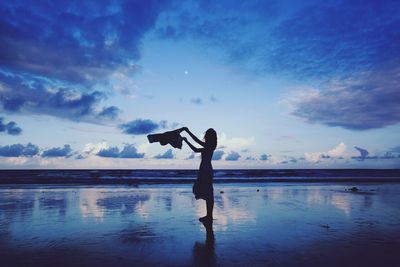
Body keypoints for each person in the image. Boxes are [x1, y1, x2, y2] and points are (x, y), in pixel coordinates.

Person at [180, 127, 217, 224]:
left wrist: (188, 132)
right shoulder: (209, 146)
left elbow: (197, 142)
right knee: (207, 193)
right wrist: (187, 141)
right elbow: (196, 149)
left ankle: (209, 216)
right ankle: (209, 216)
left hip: (206, 171)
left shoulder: (210, 145)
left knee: (208, 193)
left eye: (207, 135)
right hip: (205, 169)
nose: (205, 137)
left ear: (209, 136)